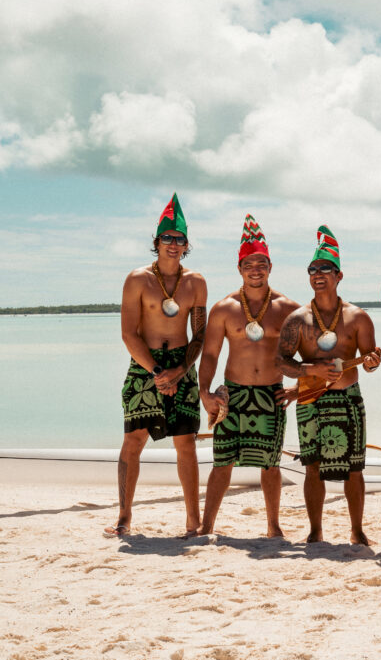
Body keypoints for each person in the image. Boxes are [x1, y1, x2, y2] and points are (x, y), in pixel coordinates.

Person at [108, 193, 207, 537]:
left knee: (186, 443)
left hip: (182, 364)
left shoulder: (196, 282)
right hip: (144, 364)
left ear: (186, 245)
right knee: (133, 440)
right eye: (167, 238)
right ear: (156, 242)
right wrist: (156, 372)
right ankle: (124, 517)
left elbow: (199, 335)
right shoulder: (137, 279)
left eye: (179, 239)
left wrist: (179, 371)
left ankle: (193, 521)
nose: (173, 244)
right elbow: (128, 334)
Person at [276, 225, 381, 545]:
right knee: (312, 466)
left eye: (325, 269)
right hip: (310, 400)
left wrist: (372, 363)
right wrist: (310, 368)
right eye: (313, 269)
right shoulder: (297, 319)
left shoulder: (359, 317)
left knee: (355, 467)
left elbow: (370, 360)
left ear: (339, 275)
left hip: (349, 399)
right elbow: (280, 361)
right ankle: (315, 530)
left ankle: (357, 530)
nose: (318, 274)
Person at [197, 215, 301, 538]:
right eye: (248, 265)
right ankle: (206, 526)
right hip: (233, 395)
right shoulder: (224, 308)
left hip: (272, 393)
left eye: (261, 264)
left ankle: (273, 526)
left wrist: (298, 388)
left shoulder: (288, 309)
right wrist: (204, 392)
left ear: (270, 267)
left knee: (271, 464)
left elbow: (312, 356)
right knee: (222, 462)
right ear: (239, 268)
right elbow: (210, 354)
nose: (255, 270)